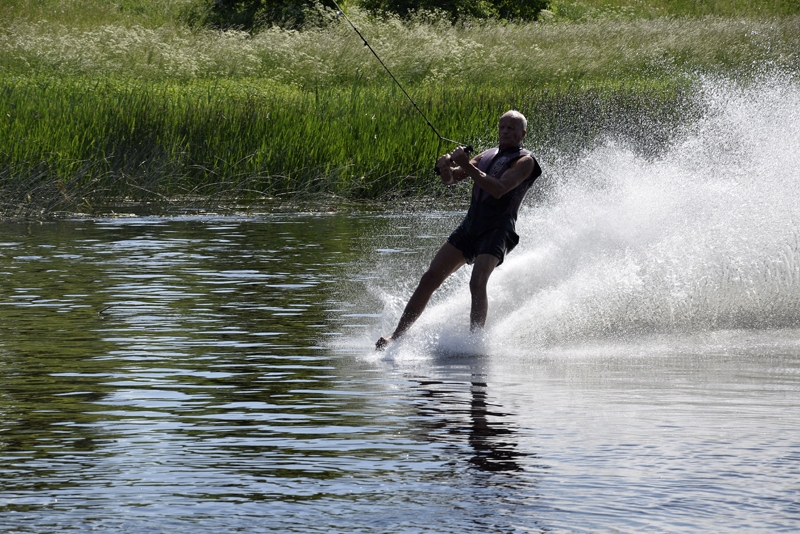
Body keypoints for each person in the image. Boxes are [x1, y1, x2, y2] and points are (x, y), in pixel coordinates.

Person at [376, 110, 542, 350]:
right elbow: (451, 179)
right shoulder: (486, 155)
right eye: (502, 127)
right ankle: (396, 335)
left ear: (522, 134)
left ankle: (474, 343)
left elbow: (499, 188)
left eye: (512, 129)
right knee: (430, 277)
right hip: (471, 225)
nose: (505, 131)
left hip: (498, 228)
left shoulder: (525, 161)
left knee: (477, 281)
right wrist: (445, 167)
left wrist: (466, 164)